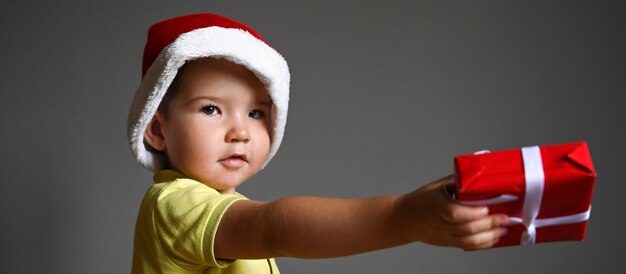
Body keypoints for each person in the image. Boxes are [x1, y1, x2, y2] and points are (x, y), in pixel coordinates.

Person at [128, 13, 509, 274]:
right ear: (157, 130)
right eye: (212, 109)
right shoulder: (172, 205)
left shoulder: (226, 210)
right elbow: (272, 227)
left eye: (257, 113)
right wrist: (404, 215)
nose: (240, 131)